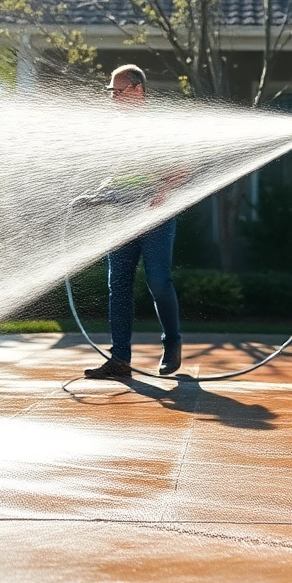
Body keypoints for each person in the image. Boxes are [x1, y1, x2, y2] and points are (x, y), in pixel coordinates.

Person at [82, 65, 183, 379]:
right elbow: (117, 175)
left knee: (158, 281)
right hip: (122, 215)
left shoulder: (162, 124)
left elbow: (184, 167)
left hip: (155, 214)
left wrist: (164, 191)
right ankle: (120, 360)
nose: (113, 98)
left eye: (118, 91)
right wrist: (98, 194)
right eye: (110, 92)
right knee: (119, 285)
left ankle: (172, 344)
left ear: (138, 90)